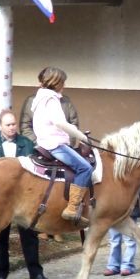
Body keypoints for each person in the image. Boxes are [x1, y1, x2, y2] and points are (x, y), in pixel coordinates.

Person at [0, 110, 50, 279]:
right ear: (0, 126)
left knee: (30, 235)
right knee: (1, 238)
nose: (12, 128)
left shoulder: (26, 144)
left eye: (14, 124)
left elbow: (37, 169)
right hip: (0, 199)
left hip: (25, 198)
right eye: (8, 125)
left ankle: (36, 273)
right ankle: (0, 275)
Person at [20, 67, 80, 242]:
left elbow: (73, 121)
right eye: (63, 82)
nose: (65, 85)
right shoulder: (35, 101)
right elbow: (26, 125)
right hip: (44, 145)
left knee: (67, 178)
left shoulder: (66, 101)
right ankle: (51, 219)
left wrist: (70, 141)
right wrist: (39, 142)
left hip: (63, 143)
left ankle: (60, 222)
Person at [31, 67, 91, 227]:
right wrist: (82, 136)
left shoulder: (40, 98)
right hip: (54, 144)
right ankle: (72, 208)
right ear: (55, 82)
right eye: (62, 81)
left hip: (45, 141)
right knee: (85, 168)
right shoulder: (50, 99)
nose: (64, 85)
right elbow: (60, 123)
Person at [103, 182, 140, 277]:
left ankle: (127, 266)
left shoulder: (134, 166)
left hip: (130, 205)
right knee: (114, 239)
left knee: (130, 239)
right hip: (112, 206)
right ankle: (113, 266)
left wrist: (136, 195)